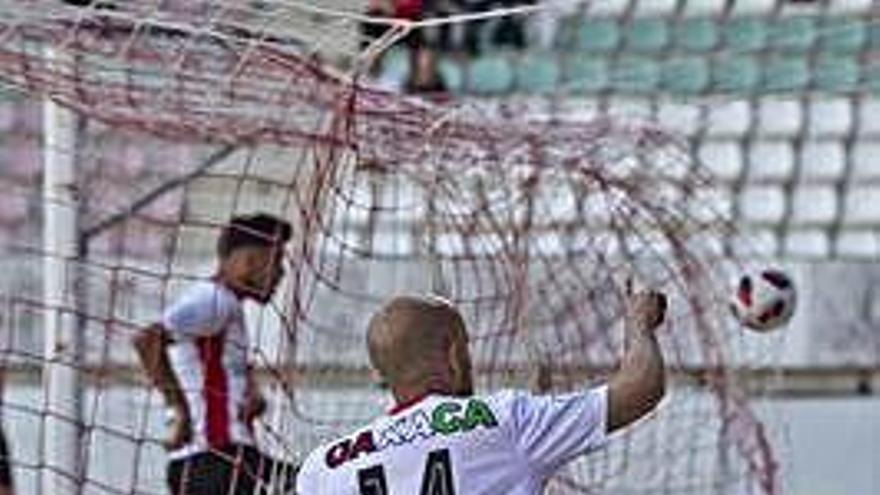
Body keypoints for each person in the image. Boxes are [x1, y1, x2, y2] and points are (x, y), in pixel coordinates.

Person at [295, 283, 667, 494]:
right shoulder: (505, 421)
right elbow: (641, 387)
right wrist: (639, 323)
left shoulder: (322, 468)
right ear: (455, 355)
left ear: (380, 375)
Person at [133, 213, 297, 495]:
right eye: (277, 260)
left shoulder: (227, 304)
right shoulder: (213, 299)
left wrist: (249, 401)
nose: (281, 273)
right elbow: (148, 339)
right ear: (251, 259)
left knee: (312, 480)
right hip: (213, 460)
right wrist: (178, 410)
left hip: (224, 459)